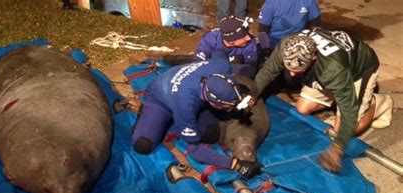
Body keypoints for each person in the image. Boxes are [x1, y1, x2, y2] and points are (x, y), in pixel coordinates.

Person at [253, 28, 394, 173]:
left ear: (313, 58)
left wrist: (338, 148)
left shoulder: (333, 68)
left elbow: (349, 112)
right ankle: (339, 94)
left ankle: (378, 103)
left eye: (298, 69)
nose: (292, 73)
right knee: (302, 108)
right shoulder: (287, 45)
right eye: (289, 68)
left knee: (344, 129)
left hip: (359, 70)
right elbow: (267, 72)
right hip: (331, 71)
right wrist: (251, 96)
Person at [131, 51, 261, 179]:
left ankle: (183, 118)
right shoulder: (185, 103)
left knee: (210, 133)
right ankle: (146, 116)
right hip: (160, 98)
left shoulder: (222, 65)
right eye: (227, 106)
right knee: (143, 145)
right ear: (213, 102)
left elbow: (219, 52)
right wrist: (235, 165)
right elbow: (195, 150)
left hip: (187, 86)